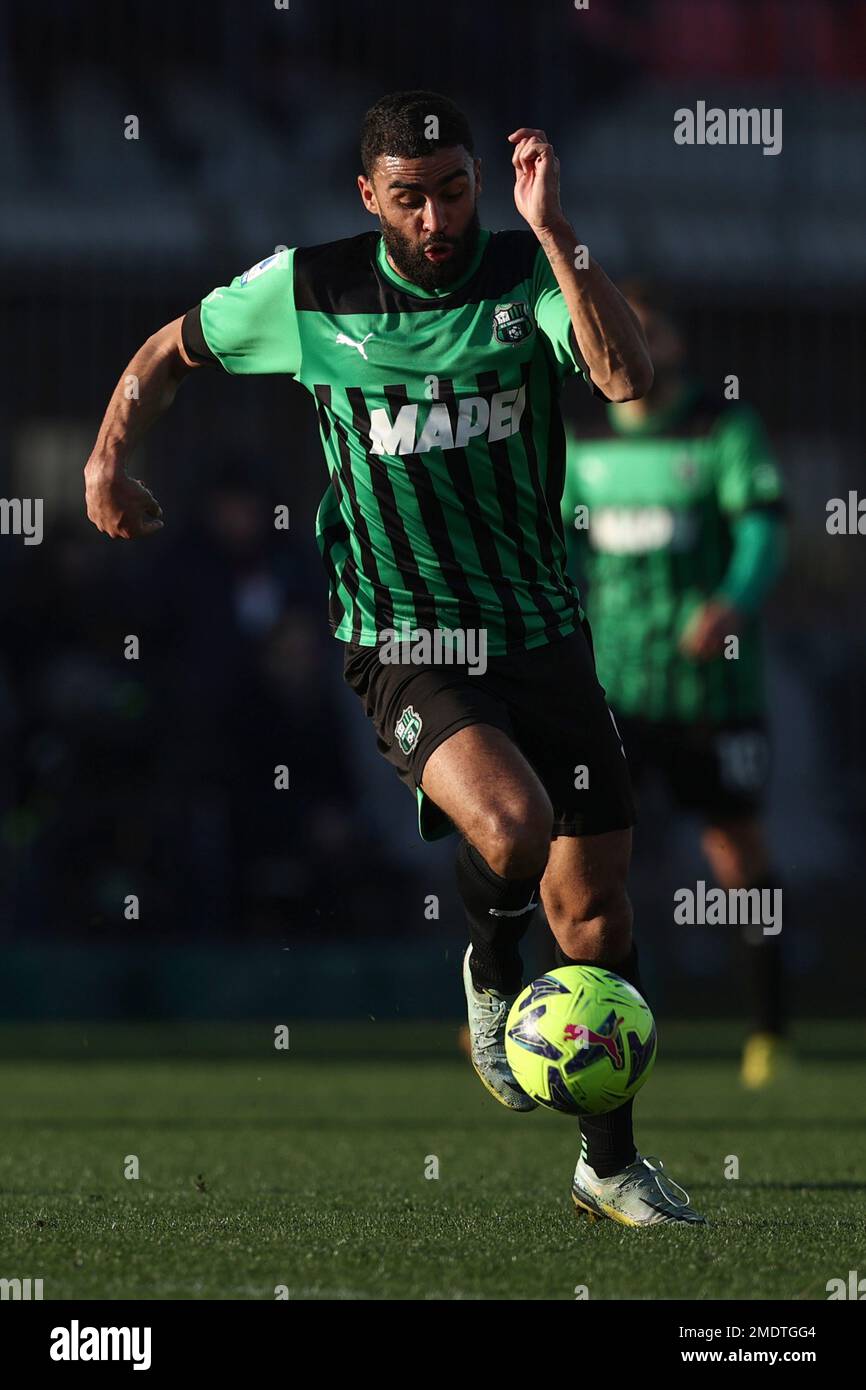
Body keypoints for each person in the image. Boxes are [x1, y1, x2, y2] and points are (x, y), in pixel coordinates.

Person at [84, 89, 703, 1226]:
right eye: (409, 198)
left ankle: (606, 1163)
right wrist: (106, 459)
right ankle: (485, 966)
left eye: (454, 191)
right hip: (404, 635)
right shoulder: (308, 289)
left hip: (541, 629)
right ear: (368, 198)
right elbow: (167, 350)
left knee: (601, 916)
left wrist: (557, 233)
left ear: (480, 182)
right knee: (510, 827)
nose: (435, 217)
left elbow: (622, 381)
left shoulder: (526, 276)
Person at [561, 278, 787, 1088]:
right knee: (583, 860)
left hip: (710, 696)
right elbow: (559, 555)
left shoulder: (723, 429)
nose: (626, 344)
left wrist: (730, 602)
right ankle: (583, 1027)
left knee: (736, 855)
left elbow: (764, 530)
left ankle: (770, 1028)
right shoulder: (580, 445)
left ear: (675, 346)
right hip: (612, 695)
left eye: (642, 329)